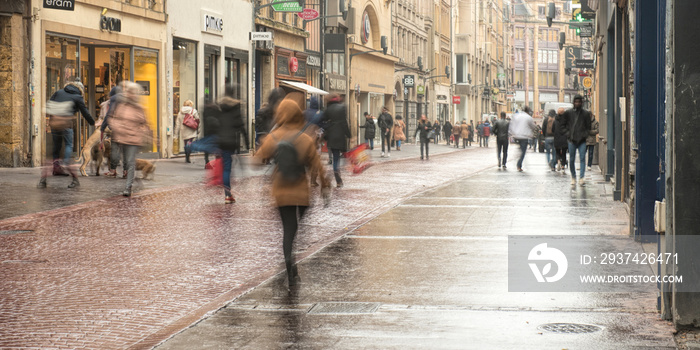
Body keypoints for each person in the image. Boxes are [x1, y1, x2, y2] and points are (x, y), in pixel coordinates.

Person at [255, 97, 331, 288]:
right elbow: (317, 166)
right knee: (296, 227)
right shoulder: (305, 138)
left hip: (281, 192)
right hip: (300, 193)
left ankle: (290, 262)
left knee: (288, 229)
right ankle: (291, 258)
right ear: (297, 114)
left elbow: (256, 160)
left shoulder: (273, 137)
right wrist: (325, 186)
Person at [39, 81, 95, 188]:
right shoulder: (78, 97)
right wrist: (92, 122)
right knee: (69, 145)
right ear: (80, 89)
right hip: (66, 123)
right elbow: (85, 112)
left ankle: (45, 178)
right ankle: (69, 170)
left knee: (56, 147)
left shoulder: (59, 92)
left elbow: (49, 104)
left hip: (54, 122)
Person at [109, 82, 149, 197]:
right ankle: (133, 180)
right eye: (129, 92)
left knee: (130, 162)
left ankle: (128, 187)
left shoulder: (140, 108)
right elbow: (113, 118)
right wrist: (117, 127)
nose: (130, 94)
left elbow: (144, 122)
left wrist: (144, 133)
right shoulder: (122, 105)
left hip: (133, 139)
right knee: (123, 160)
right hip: (121, 137)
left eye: (133, 92)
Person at [216, 86, 250, 203]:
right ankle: (228, 194)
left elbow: (216, 124)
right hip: (231, 141)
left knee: (226, 166)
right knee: (228, 168)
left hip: (221, 141)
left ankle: (227, 193)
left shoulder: (219, 106)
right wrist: (247, 142)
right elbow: (240, 125)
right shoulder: (236, 107)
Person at [562, 94, 592, 186]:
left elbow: (588, 127)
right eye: (576, 101)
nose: (577, 103)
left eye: (579, 102)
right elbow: (562, 125)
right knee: (571, 159)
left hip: (582, 140)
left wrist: (585, 135)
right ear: (573, 102)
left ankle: (581, 177)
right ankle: (573, 177)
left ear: (581, 103)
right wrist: (568, 134)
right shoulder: (568, 113)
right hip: (571, 140)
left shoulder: (586, 114)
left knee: (582, 158)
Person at [322, 94, 351, 187]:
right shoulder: (342, 108)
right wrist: (349, 135)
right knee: (341, 156)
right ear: (337, 99)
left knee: (335, 158)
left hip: (332, 136)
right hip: (340, 136)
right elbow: (344, 123)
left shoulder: (328, 109)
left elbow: (324, 122)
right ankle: (339, 178)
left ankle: (338, 179)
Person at [509, 106, 536, 172]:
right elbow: (533, 126)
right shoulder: (528, 117)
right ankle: (519, 164)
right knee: (523, 151)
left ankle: (518, 157)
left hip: (516, 136)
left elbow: (512, 125)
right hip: (524, 136)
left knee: (521, 149)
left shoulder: (516, 116)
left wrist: (511, 133)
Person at [554, 107, 569, 173]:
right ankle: (563, 166)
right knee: (564, 153)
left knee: (557, 151)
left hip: (557, 138)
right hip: (564, 139)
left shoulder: (555, 120)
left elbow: (552, 129)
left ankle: (558, 161)